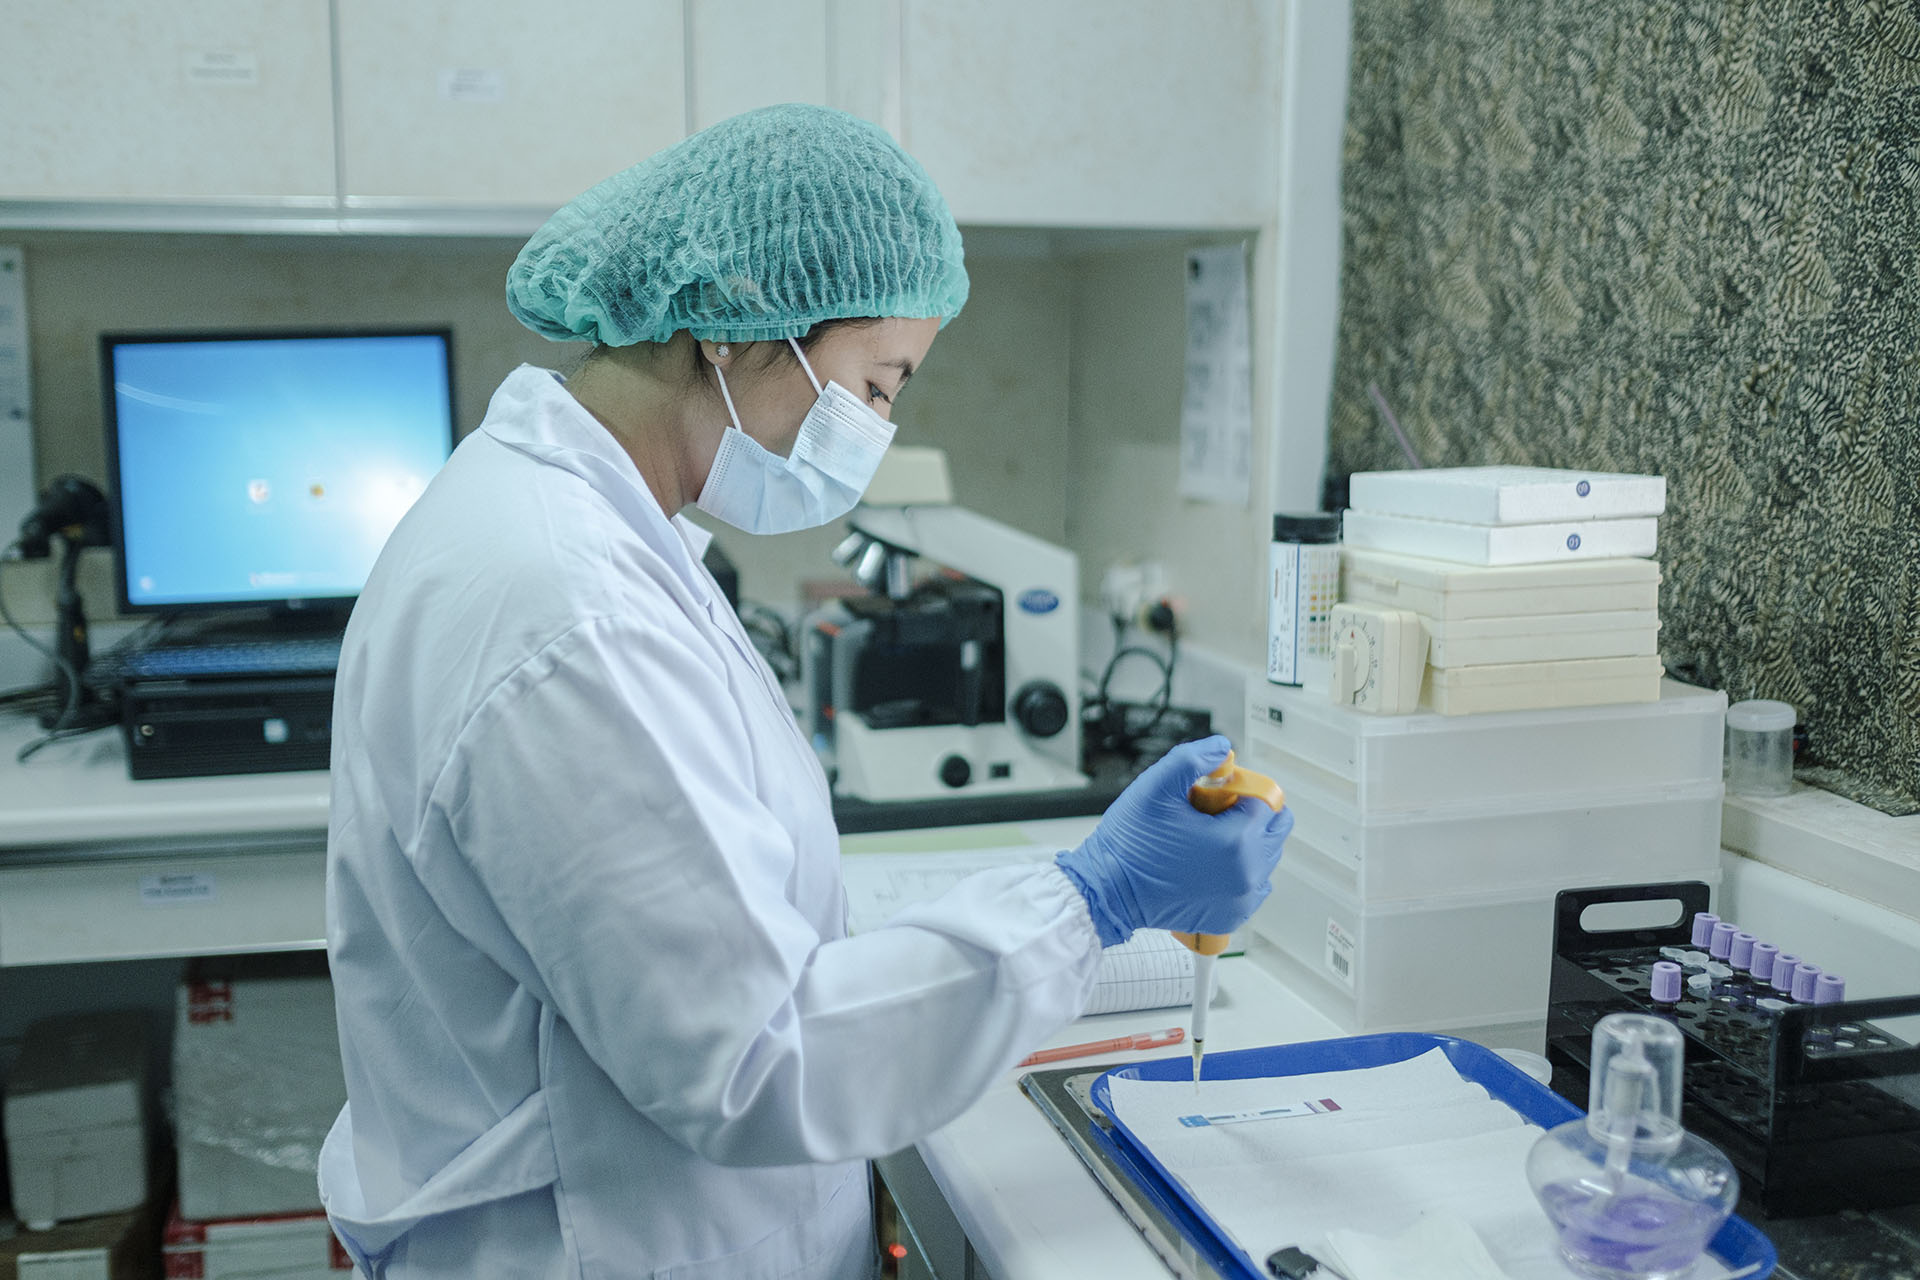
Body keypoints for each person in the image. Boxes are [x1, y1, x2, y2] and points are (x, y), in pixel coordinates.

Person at [318, 103, 1292, 1280]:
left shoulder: (590, 526)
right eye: (878, 383)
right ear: (739, 324)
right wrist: (1091, 898)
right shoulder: (572, 612)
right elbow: (754, 1059)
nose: (876, 426)